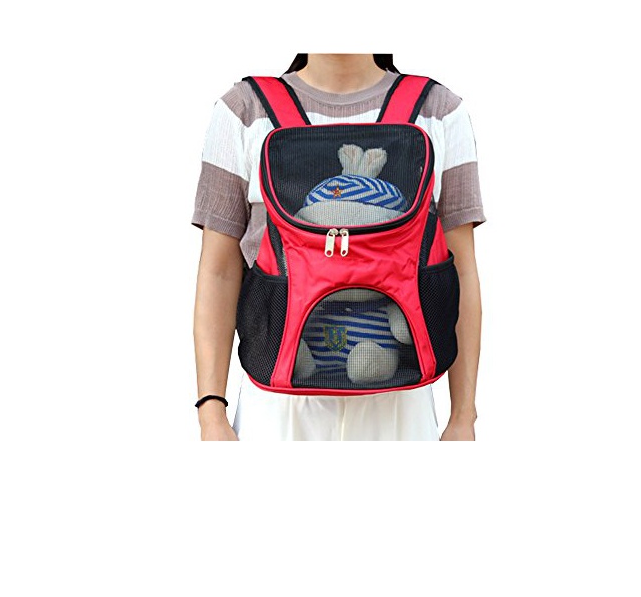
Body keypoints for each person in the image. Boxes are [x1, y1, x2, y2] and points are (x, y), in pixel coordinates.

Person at [191, 54, 486, 441]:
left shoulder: (440, 112)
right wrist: (211, 411)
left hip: (400, 403)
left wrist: (463, 416)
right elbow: (219, 270)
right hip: (277, 408)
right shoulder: (243, 110)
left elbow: (460, 268)